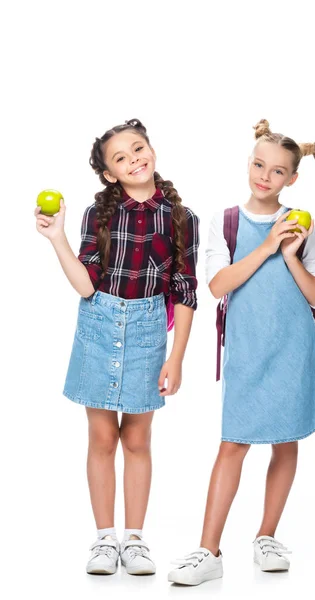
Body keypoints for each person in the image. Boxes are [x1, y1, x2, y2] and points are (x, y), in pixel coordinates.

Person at [168, 119, 315, 586]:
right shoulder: (225, 222)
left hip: (293, 346)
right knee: (233, 444)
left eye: (278, 171)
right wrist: (266, 246)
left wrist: (290, 255)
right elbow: (219, 284)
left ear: (292, 179)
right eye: (259, 165)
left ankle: (266, 536)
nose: (265, 176)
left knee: (287, 440)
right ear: (249, 164)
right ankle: (209, 550)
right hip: (247, 349)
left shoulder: (302, 226)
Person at [34, 118, 199, 576]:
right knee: (103, 437)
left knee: (139, 439)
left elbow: (185, 290)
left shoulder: (183, 218)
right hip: (100, 321)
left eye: (138, 148)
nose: (134, 159)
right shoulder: (99, 214)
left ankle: (136, 540)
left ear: (151, 149)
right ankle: (105, 539)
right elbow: (86, 287)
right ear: (110, 174)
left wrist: (177, 356)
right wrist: (57, 238)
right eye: (121, 158)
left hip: (149, 329)